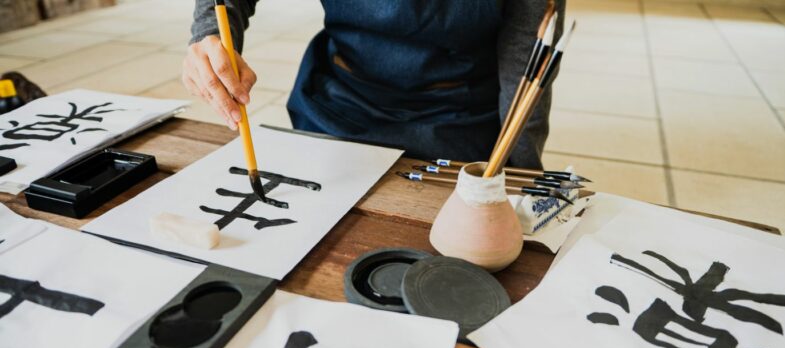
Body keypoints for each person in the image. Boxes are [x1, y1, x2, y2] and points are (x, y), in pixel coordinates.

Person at [184, 1, 564, 169]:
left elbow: (527, 54)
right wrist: (210, 34)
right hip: (342, 100)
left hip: (456, 115)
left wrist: (522, 172)